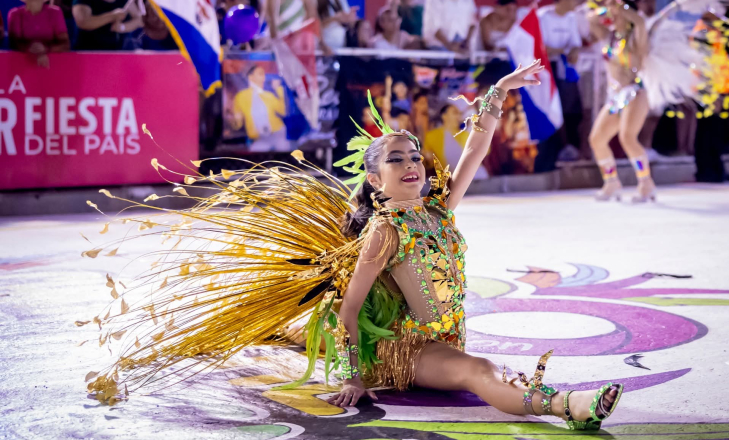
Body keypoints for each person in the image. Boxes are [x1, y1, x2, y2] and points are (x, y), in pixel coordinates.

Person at [84, 60, 624, 432]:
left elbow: (476, 147)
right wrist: (352, 374)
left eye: (415, 156)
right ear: (373, 181)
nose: (412, 165)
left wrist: (502, 87)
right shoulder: (385, 231)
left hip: (441, 335)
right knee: (477, 372)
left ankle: (286, 328)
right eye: (396, 161)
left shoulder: (437, 208)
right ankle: (569, 407)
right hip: (403, 351)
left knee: (474, 366)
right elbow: (349, 312)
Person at [586, 0, 729, 202]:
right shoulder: (610, 36)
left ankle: (646, 183)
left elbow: (639, 24)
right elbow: (590, 19)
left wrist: (627, 11)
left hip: (636, 91)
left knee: (628, 138)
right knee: (597, 139)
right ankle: (611, 181)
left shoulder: (638, 36)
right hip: (615, 96)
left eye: (617, 9)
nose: (613, 13)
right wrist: (607, 7)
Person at [538, 0, 584, 160]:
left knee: (572, 108)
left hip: (565, 69)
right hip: (545, 70)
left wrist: (574, 52)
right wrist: (564, 52)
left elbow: (575, 44)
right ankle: (551, 151)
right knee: (551, 109)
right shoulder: (542, 17)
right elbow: (541, 46)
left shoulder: (572, 17)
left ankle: (571, 147)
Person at [423, 104, 491, 179]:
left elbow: (486, 150)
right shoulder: (432, 136)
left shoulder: (465, 134)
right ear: (444, 116)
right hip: (454, 180)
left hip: (478, 176)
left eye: (460, 114)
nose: (458, 116)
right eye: (455, 113)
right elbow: (429, 161)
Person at [231, 65, 289, 151]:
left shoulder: (269, 95)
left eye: (264, 74)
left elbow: (283, 111)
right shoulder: (241, 97)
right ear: (251, 77)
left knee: (285, 154)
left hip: (278, 133)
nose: (264, 77)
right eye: (260, 74)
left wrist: (279, 90)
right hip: (260, 138)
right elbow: (237, 124)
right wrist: (236, 120)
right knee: (255, 156)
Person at [7, 0, 70, 68]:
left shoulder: (55, 12)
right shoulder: (15, 14)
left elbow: (65, 44)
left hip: (54, 66)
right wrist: (30, 49)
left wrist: (46, 49)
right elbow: (14, 44)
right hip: (21, 67)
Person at [72, 0, 142, 50]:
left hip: (119, 53)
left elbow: (140, 20)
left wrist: (122, 27)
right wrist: (112, 16)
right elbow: (83, 22)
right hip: (88, 52)